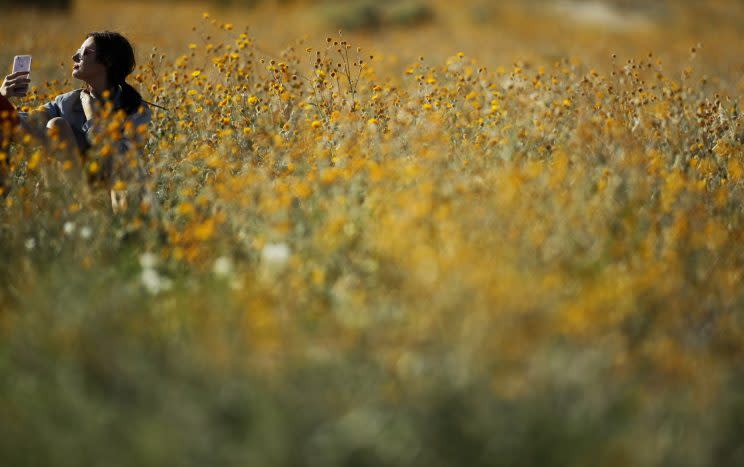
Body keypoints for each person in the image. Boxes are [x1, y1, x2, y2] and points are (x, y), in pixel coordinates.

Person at [0, 31, 152, 208]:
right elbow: (22, 124)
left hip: (117, 187)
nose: (75, 56)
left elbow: (119, 160)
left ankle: (112, 221)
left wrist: (91, 114)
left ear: (108, 61)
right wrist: (2, 99)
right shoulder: (67, 102)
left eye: (85, 52)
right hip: (74, 191)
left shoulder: (134, 108)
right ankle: (85, 206)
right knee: (56, 125)